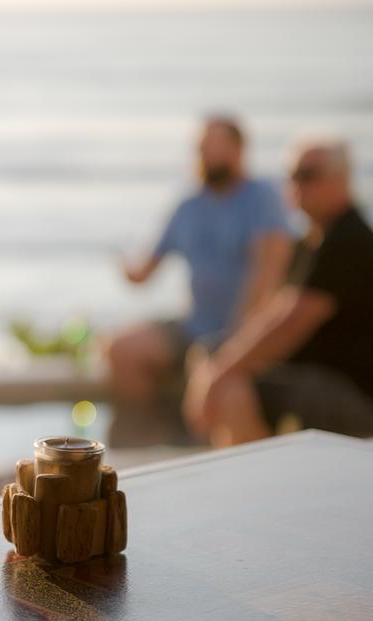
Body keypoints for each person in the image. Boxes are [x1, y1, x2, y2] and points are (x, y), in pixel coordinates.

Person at [183, 138, 373, 447]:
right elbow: (272, 312)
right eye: (292, 175)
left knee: (234, 386)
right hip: (322, 378)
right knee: (210, 353)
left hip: (364, 398)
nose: (297, 184)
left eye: (309, 174)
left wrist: (220, 375)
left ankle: (258, 482)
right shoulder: (311, 240)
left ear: (341, 179)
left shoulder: (347, 239)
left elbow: (290, 323)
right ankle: (246, 466)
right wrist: (219, 362)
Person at [105, 116, 293, 444]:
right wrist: (125, 268)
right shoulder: (188, 206)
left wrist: (233, 346)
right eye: (201, 147)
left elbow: (268, 275)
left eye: (213, 146)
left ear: (238, 149)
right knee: (121, 349)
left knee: (218, 380)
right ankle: (148, 439)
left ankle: (212, 457)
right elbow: (145, 273)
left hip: (243, 331)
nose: (204, 154)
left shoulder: (263, 198)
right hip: (192, 326)